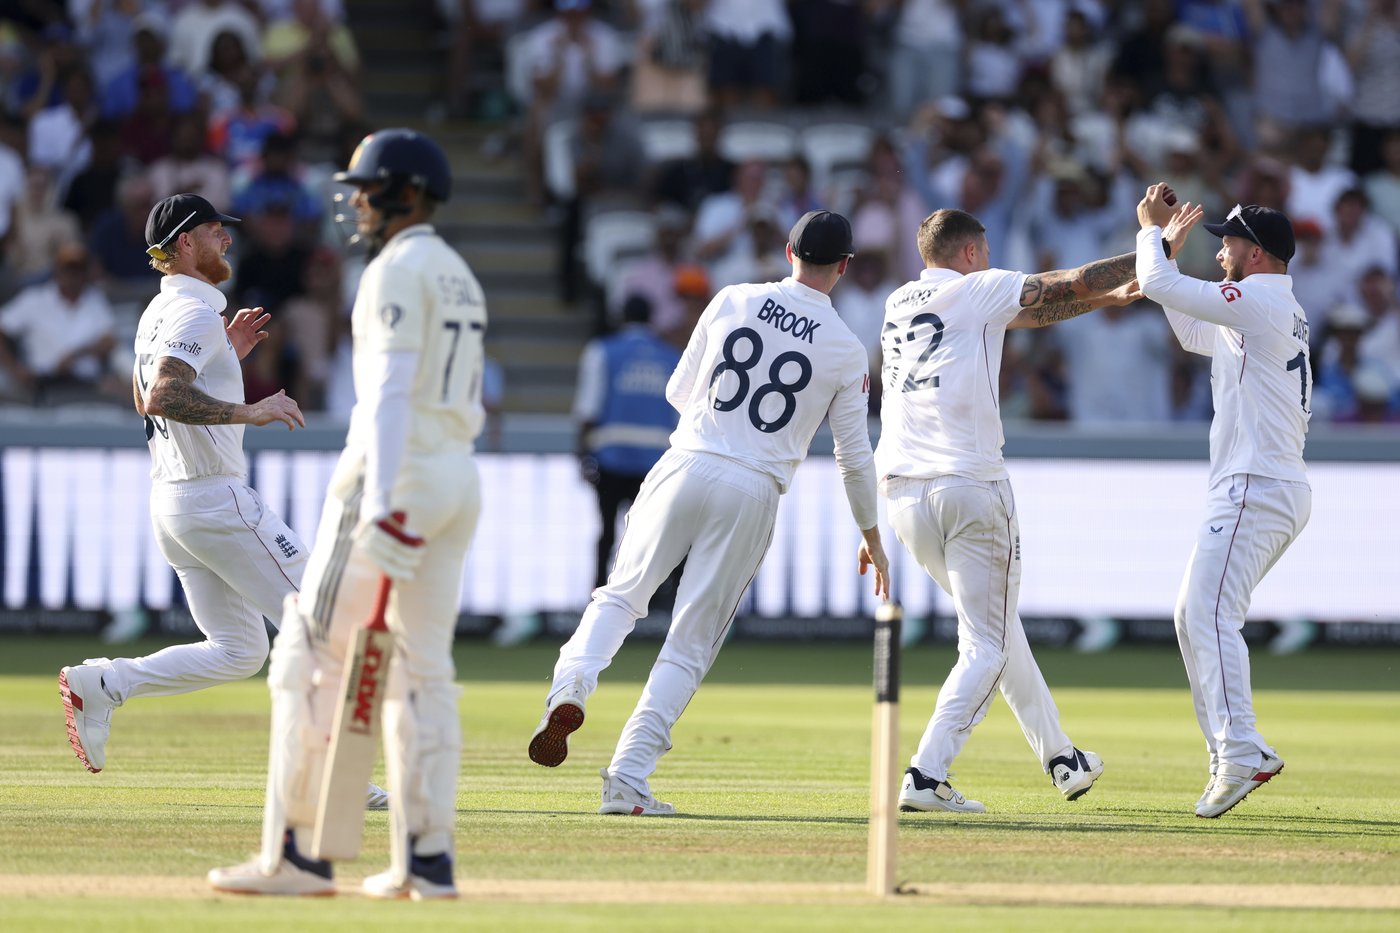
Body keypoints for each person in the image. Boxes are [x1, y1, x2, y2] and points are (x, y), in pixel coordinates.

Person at [528, 211, 891, 816]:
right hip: (752, 484)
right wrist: (871, 533)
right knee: (691, 640)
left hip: (686, 459)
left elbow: (678, 393)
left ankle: (568, 691)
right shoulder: (847, 350)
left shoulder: (732, 298)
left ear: (788, 250)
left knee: (618, 598)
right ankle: (628, 775)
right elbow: (855, 457)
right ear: (845, 268)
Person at [209, 128, 487, 898]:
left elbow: (392, 391)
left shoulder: (394, 270)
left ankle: (296, 856)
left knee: (306, 653)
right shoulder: (458, 272)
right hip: (456, 477)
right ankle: (426, 861)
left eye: (366, 188)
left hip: (388, 482)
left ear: (402, 192)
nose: (356, 202)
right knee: (425, 669)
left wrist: (390, 500)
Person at [55, 194, 331, 786]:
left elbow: (144, 395)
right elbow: (161, 396)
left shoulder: (161, 312)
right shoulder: (193, 314)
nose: (226, 240)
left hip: (175, 504)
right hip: (214, 497)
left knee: (239, 650)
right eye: (214, 232)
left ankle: (104, 683)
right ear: (185, 243)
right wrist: (247, 410)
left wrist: (226, 354)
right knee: (324, 623)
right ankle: (332, 774)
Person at [880, 208, 1142, 815]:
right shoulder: (977, 288)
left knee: (995, 631)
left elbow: (1032, 311)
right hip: (970, 486)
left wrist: (1105, 301)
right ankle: (926, 773)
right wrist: (1149, 250)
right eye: (988, 250)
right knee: (986, 646)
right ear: (971, 253)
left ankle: (1061, 758)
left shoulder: (901, 302)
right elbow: (1067, 282)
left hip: (903, 495)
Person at [1136, 187, 1310, 819]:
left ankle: (1240, 752)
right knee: (1195, 615)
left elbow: (1156, 284)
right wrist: (1167, 262)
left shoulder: (1260, 300)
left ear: (1258, 254)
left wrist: (1152, 234)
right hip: (1265, 486)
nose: (1223, 252)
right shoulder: (1269, 308)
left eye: (1230, 243)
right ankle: (1237, 749)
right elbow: (1189, 331)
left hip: (1256, 486)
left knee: (1207, 615)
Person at [574, 295, 682, 589]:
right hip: (656, 464)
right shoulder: (671, 357)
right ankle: (657, 600)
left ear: (622, 317)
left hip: (610, 459)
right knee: (655, 535)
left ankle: (598, 594)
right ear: (651, 318)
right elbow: (680, 417)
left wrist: (581, 454)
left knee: (606, 533)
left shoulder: (603, 352)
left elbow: (588, 409)